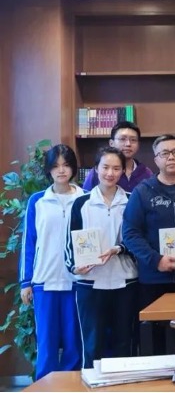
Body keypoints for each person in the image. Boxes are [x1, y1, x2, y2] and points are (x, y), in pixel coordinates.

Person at [65, 147, 137, 369]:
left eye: (116, 168)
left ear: (123, 171)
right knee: (92, 345)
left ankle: (124, 384)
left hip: (125, 282)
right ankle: (92, 384)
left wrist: (119, 249)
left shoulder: (132, 200)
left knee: (125, 343)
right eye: (105, 167)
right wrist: (74, 267)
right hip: (90, 284)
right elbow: (69, 243)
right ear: (95, 169)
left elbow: (139, 240)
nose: (110, 173)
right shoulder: (81, 203)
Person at [20, 144, 84, 380]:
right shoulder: (37, 201)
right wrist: (26, 282)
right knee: (46, 344)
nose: (61, 170)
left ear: (73, 168)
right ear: (48, 169)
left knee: (74, 344)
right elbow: (29, 242)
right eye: (55, 166)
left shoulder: (85, 197)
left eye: (66, 165)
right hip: (44, 282)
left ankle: (71, 387)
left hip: (77, 281)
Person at [122, 135, 175, 313]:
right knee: (157, 328)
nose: (171, 157)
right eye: (164, 153)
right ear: (156, 159)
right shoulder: (142, 192)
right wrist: (156, 260)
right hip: (154, 278)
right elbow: (130, 233)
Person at [82, 121, 152, 191]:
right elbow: (86, 195)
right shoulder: (99, 173)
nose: (128, 144)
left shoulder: (146, 173)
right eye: (122, 139)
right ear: (111, 143)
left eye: (133, 140)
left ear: (138, 145)